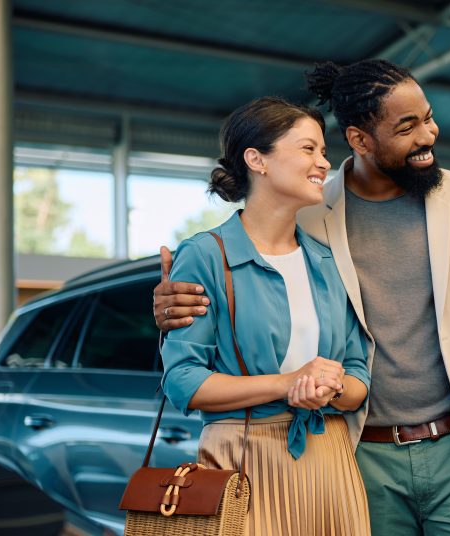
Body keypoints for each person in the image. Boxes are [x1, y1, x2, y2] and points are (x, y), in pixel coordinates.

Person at [154, 59, 450, 535]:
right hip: (355, 454)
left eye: (428, 117)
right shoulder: (313, 212)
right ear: (360, 139)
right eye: (407, 126)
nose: (429, 135)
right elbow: (249, 264)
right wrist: (172, 299)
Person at [161, 97, 371, 535]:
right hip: (242, 463)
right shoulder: (205, 255)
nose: (324, 163)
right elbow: (184, 381)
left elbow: (357, 380)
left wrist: (328, 389)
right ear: (256, 159)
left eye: (323, 151)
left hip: (329, 463)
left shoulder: (326, 261)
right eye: (308, 149)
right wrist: (288, 384)